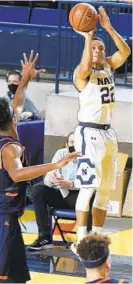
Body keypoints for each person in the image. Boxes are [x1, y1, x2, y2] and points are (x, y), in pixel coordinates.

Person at [0, 51, 79, 283]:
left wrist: (25, 79)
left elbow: (19, 102)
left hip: (9, 216)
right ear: (10, 120)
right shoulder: (8, 148)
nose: (16, 113)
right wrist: (55, 164)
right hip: (3, 217)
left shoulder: (8, 130)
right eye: (13, 114)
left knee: (17, 277)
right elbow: (17, 173)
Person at [71, 6, 131, 253]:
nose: (98, 51)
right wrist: (88, 36)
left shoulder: (107, 66)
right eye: (94, 48)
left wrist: (107, 28)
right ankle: (80, 240)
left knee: (106, 190)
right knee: (88, 188)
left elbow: (125, 51)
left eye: (100, 48)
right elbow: (86, 65)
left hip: (108, 134)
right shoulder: (81, 73)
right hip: (89, 134)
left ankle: (97, 241)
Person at [28, 131, 95, 250]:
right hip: (61, 193)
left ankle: (86, 239)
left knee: (90, 197)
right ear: (66, 144)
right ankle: (44, 237)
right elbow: (48, 180)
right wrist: (55, 180)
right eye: (71, 142)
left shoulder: (88, 157)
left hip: (79, 196)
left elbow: (89, 182)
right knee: (38, 189)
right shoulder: (61, 154)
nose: (74, 145)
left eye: (77, 142)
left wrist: (70, 184)